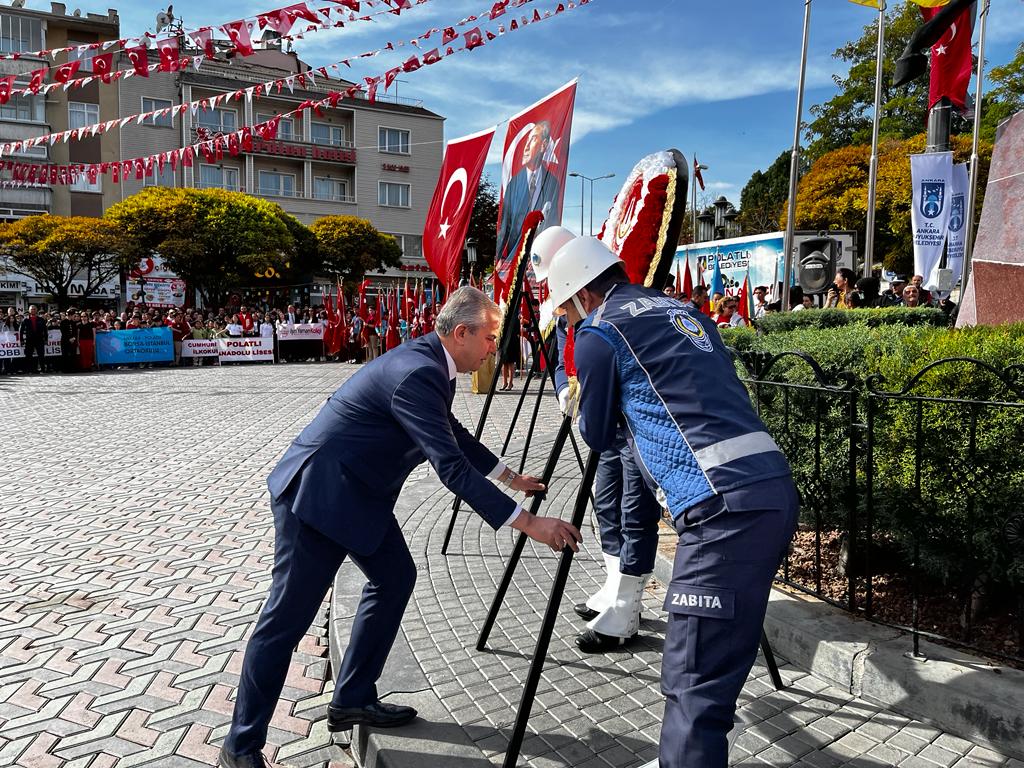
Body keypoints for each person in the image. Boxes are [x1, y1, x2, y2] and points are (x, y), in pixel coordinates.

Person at [218, 287, 581, 768]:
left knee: (394, 578)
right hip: (318, 497)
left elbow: (452, 433)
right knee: (286, 621)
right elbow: (450, 467)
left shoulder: (434, 365)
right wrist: (529, 523)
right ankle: (240, 747)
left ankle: (352, 698)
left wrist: (510, 477)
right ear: (460, 333)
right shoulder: (418, 373)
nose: (496, 345)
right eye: (490, 337)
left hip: (358, 495)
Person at [546, 237, 798, 768]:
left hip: (718, 509)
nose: (567, 319)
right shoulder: (685, 312)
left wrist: (584, 401)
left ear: (581, 296)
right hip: (769, 486)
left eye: (565, 309)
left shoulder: (599, 331)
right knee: (717, 667)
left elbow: (595, 431)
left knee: (693, 682)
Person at [533, 225, 662, 653]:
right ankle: (614, 591)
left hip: (629, 425)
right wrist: (565, 388)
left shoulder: (603, 317)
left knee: (634, 513)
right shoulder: (582, 307)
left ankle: (627, 608)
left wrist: (590, 406)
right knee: (607, 503)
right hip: (607, 420)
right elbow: (558, 358)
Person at [496, 120, 563, 265]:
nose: (525, 147)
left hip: (542, 256)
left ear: (544, 145)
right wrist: (499, 257)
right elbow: (505, 224)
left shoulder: (552, 183)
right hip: (516, 256)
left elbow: (553, 222)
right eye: (526, 140)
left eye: (533, 139)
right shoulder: (513, 184)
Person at [19, 304, 47, 373]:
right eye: (31, 309)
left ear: (36, 310)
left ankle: (42, 369)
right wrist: (21, 340)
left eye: (34, 309)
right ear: (29, 310)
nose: (33, 310)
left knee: (41, 355)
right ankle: (29, 369)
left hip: (39, 339)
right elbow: (21, 331)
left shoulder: (41, 319)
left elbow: (45, 330)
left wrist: (46, 339)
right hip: (29, 340)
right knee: (28, 355)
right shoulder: (25, 320)